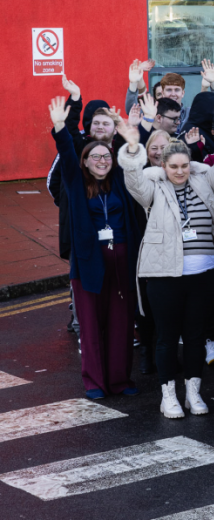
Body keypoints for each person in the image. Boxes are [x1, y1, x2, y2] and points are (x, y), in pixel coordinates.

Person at [117, 113, 214, 417]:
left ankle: (193, 392)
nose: (180, 171)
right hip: (165, 277)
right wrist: (134, 149)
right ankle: (168, 396)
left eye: (185, 165)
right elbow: (134, 182)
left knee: (194, 336)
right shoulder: (154, 188)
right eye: (173, 166)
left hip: (203, 276)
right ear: (163, 166)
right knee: (166, 338)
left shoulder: (204, 182)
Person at [49, 96, 140, 400]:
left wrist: (131, 133)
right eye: (95, 157)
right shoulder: (76, 184)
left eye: (106, 157)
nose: (102, 161)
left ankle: (119, 380)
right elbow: (66, 151)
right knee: (90, 325)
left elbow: (130, 153)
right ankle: (94, 382)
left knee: (121, 324)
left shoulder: (119, 180)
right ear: (85, 161)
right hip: (89, 262)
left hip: (122, 260)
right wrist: (61, 127)